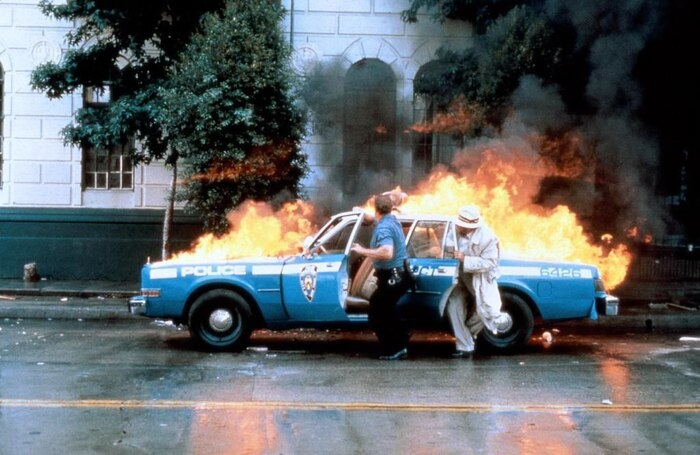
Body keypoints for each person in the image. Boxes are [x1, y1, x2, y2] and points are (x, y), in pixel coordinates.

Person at [351, 193, 411, 360]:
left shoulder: (383, 228)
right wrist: (364, 215)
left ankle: (394, 348)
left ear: (376, 209)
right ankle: (401, 342)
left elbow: (387, 252)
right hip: (400, 275)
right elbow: (376, 219)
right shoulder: (393, 220)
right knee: (388, 310)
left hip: (393, 277)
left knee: (377, 312)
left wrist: (362, 250)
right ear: (390, 209)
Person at [444, 205, 507, 359]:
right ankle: (465, 347)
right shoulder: (454, 229)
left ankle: (467, 334)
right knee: (453, 306)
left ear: (470, 226)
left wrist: (465, 259)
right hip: (460, 277)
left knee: (486, 310)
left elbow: (490, 262)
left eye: (461, 225)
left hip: (480, 278)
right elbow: (446, 245)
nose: (458, 226)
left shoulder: (488, 238)